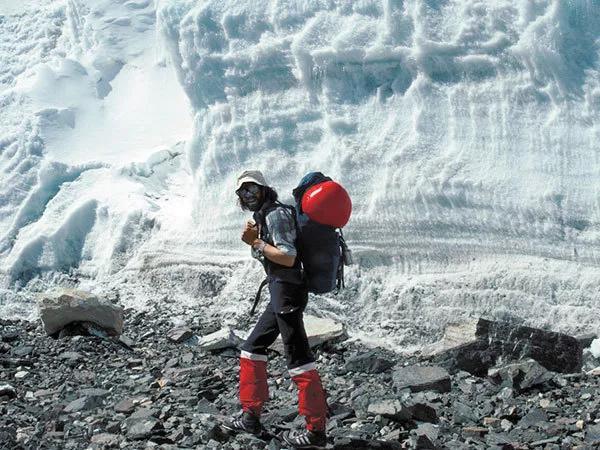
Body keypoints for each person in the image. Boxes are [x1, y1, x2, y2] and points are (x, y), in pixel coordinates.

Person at [223, 170, 328, 449]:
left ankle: (316, 432)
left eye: (251, 188)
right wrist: (256, 241)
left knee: (299, 359)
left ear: (264, 188)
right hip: (280, 293)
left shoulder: (275, 215)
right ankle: (250, 417)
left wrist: (255, 242)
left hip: (288, 294)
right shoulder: (265, 215)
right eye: (242, 191)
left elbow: (288, 257)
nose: (247, 195)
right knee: (252, 347)